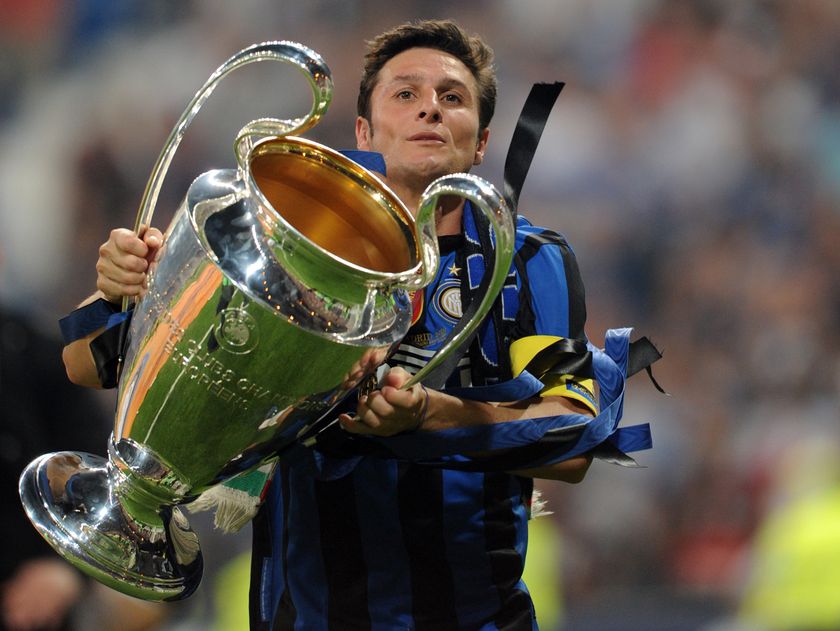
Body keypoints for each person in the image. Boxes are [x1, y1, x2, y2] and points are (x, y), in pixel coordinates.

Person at [62, 19, 655, 630]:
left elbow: (574, 436)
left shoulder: (530, 263)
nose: (430, 108)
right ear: (365, 132)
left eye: (452, 98)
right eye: (406, 94)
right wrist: (120, 288)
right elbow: (88, 363)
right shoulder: (281, 247)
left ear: (481, 141)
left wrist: (433, 415)